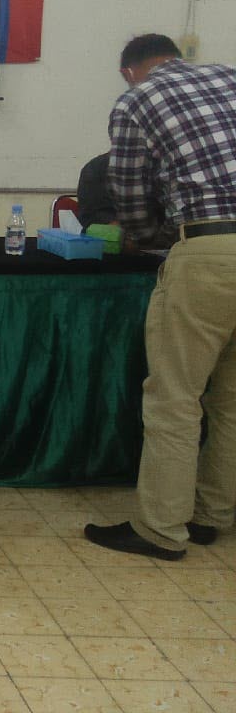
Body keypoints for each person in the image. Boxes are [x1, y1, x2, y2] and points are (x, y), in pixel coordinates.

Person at [84, 49, 236, 560]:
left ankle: (162, 530)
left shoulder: (137, 100)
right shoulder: (229, 77)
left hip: (209, 249)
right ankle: (212, 516)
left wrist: (152, 239)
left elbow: (130, 198)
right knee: (232, 399)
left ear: (129, 70)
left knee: (175, 398)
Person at [75, 34, 181, 240]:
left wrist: (146, 238)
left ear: (127, 73)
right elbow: (103, 226)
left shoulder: (135, 101)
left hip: (188, 242)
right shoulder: (97, 171)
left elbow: (137, 226)